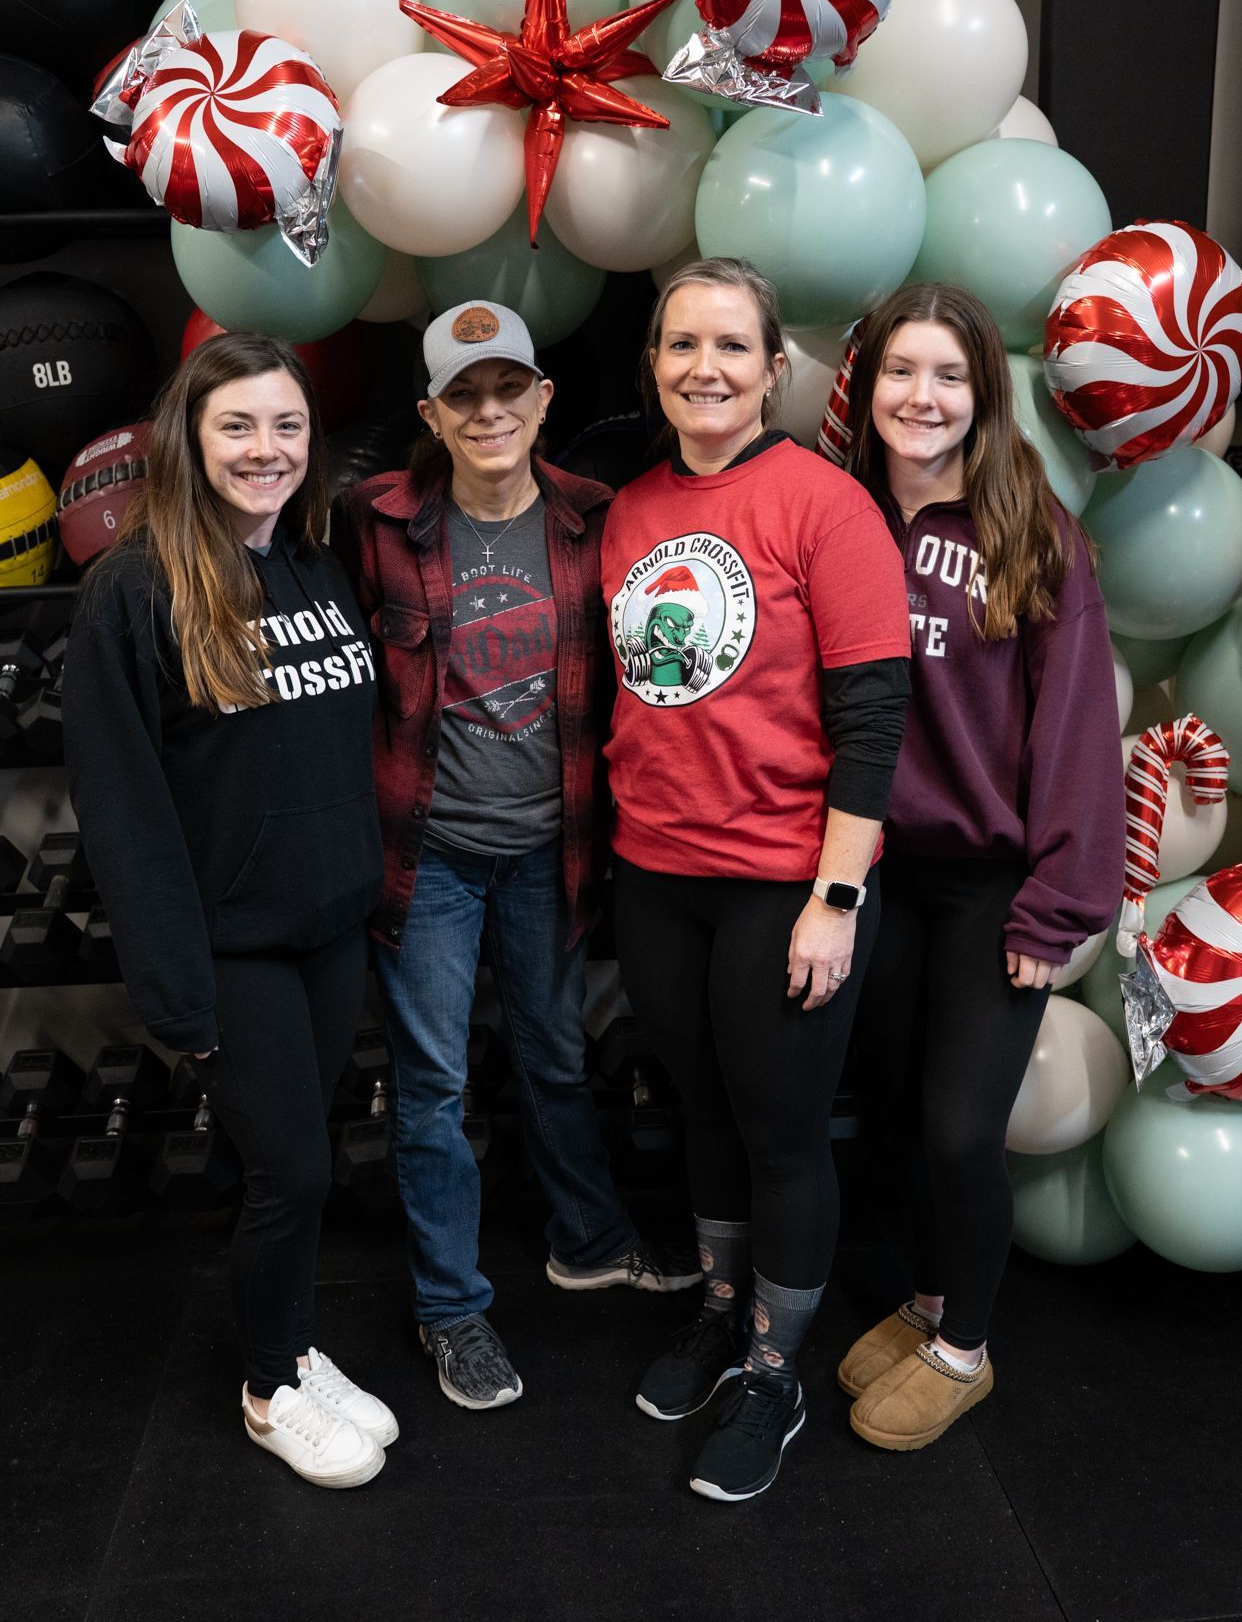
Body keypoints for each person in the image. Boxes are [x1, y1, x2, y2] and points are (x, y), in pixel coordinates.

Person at [331, 299, 698, 1417]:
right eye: (463, 395)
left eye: (506, 389)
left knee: (554, 1056)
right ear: (431, 415)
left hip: (553, 848)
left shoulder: (599, 520)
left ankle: (587, 1241)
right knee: (434, 1089)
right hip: (429, 854)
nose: (487, 411)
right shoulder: (374, 523)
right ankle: (451, 1308)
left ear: (543, 400)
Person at [601, 257, 912, 1502]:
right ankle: (723, 1310)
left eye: (731, 346)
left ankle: (775, 1373)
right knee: (704, 1114)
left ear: (774, 368)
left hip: (786, 882)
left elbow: (873, 721)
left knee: (781, 1133)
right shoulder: (629, 510)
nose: (705, 368)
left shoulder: (827, 507)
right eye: (681, 344)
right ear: (653, 365)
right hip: (655, 875)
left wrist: (834, 901)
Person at [62, 332, 394, 1489]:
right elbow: (123, 812)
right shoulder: (134, 590)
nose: (266, 449)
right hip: (230, 948)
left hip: (327, 930)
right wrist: (177, 996)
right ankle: (267, 1390)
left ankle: (292, 1346)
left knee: (300, 1169)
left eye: (286, 425)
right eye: (237, 426)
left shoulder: (313, 565)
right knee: (289, 1174)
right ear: (189, 441)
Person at [836, 281, 1125, 1451]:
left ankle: (965, 1349)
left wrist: (1054, 909)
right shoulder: (838, 513)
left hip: (986, 885)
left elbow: (1074, 733)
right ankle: (926, 1300)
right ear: (867, 389)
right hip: (869, 873)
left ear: (982, 395)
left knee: (962, 1130)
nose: (922, 396)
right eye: (900, 371)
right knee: (899, 1117)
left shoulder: (1028, 529)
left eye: (948, 376)